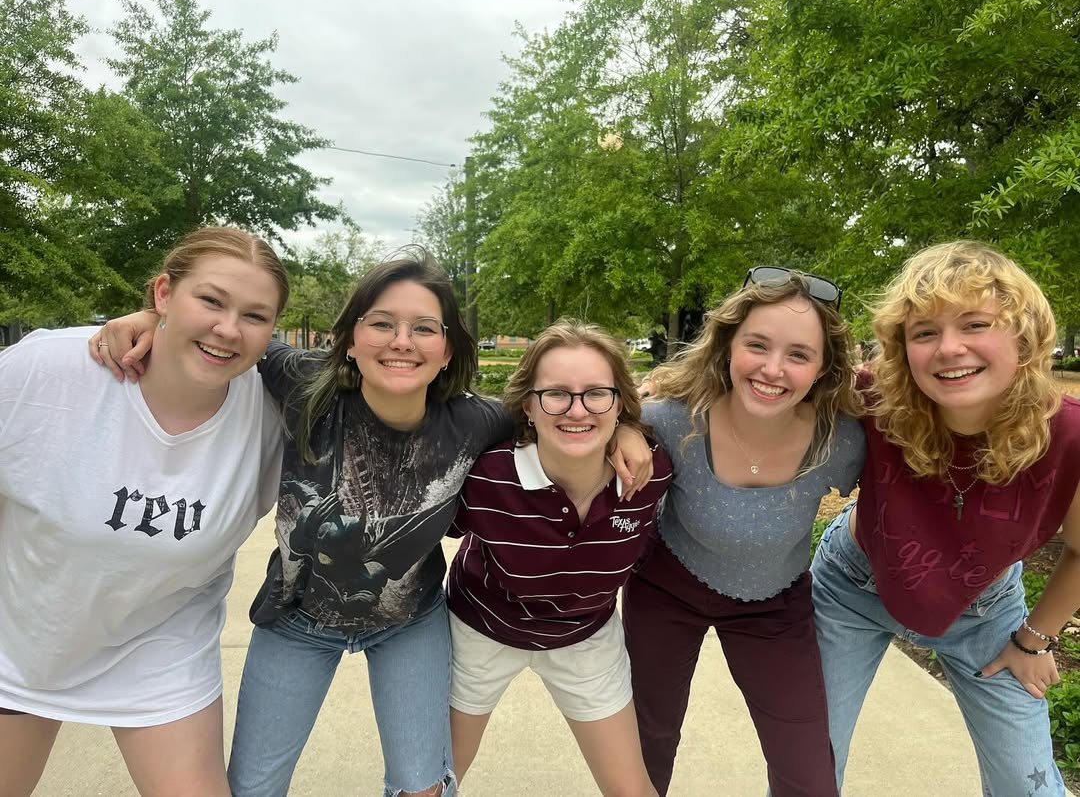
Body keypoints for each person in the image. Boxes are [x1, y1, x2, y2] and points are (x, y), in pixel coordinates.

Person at [92, 248, 653, 797]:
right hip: (296, 619)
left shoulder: (476, 421)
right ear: (351, 339)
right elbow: (236, 342)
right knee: (253, 786)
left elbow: (567, 411)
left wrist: (627, 427)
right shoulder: (307, 385)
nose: (401, 341)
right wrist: (153, 319)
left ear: (446, 350)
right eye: (382, 323)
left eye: (423, 328)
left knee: (422, 784)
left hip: (408, 621)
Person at [0, 227, 288, 797]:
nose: (229, 329)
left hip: (160, 647)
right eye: (210, 301)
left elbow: (381, 374)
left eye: (255, 316)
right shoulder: (48, 370)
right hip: (24, 641)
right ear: (162, 293)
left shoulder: (276, 410)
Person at [810, 241, 1080, 795]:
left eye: (975, 324)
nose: (949, 348)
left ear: (1024, 334)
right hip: (852, 587)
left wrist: (1034, 640)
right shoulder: (874, 399)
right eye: (924, 332)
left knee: (1027, 786)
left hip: (987, 610)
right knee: (806, 763)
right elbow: (760, 390)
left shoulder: (1069, 435)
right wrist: (635, 413)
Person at [622, 266, 866, 796]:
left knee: (806, 770)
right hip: (666, 590)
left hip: (774, 607)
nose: (773, 369)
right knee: (647, 742)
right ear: (728, 345)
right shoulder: (671, 420)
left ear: (823, 368)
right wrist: (624, 426)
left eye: (799, 354)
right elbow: (581, 422)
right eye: (757, 345)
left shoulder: (843, 441)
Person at [446, 321, 672, 795]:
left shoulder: (649, 472)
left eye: (596, 393)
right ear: (528, 406)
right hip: (481, 629)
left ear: (620, 403)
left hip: (584, 635)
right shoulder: (486, 477)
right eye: (556, 394)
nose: (577, 409)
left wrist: (630, 430)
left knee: (632, 790)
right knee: (433, 782)